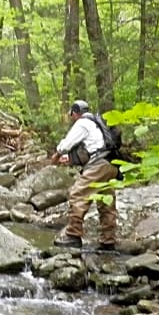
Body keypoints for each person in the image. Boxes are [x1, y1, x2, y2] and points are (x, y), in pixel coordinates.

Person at [49, 100, 120, 250]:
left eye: (72, 115)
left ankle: (73, 235)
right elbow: (92, 148)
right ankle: (108, 241)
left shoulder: (83, 123)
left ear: (75, 112)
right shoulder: (98, 123)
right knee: (106, 203)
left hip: (98, 165)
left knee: (77, 194)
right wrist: (69, 159)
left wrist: (56, 155)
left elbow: (66, 144)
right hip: (111, 164)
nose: (72, 118)